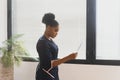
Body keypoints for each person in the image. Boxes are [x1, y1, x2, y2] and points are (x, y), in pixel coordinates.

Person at [36, 13, 77, 80]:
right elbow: (50, 64)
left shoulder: (49, 40)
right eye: (55, 30)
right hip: (45, 75)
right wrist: (69, 57)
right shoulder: (42, 43)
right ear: (48, 27)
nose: (57, 33)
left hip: (53, 73)